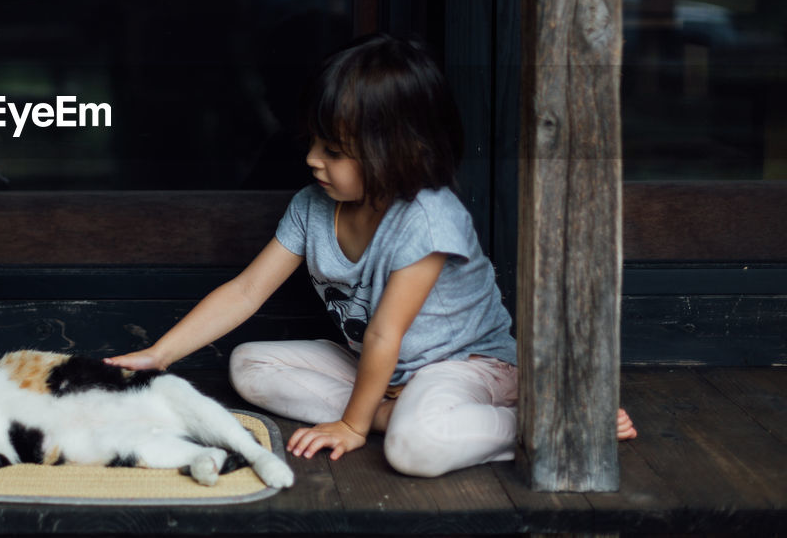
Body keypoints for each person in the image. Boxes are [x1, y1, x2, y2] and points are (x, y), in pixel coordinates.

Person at [106, 33, 636, 477]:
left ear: (398, 151)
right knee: (249, 365)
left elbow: (386, 332)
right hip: (385, 372)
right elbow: (247, 291)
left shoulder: (428, 216)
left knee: (415, 448)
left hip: (468, 368)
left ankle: (549, 420)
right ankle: (392, 413)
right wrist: (161, 355)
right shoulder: (312, 206)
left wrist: (356, 426)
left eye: (333, 152)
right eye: (313, 142)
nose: (313, 160)